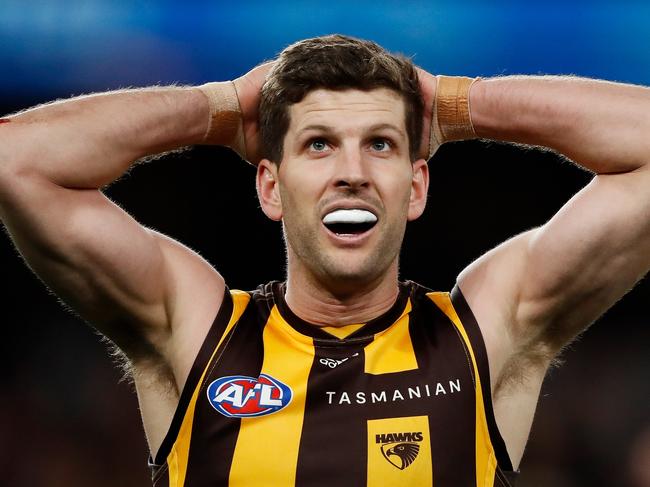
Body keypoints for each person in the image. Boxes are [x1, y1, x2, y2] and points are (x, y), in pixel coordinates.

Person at [0, 34, 648, 487]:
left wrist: (460, 104)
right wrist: (219, 106)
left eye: (381, 144)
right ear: (270, 187)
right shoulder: (193, 327)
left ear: (415, 186)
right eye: (318, 145)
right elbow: (16, 161)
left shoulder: (484, 332)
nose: (352, 173)